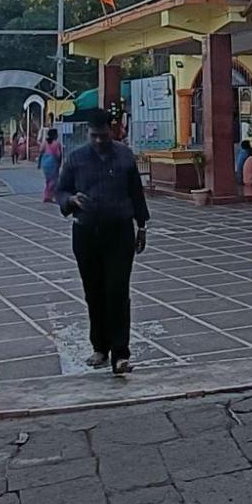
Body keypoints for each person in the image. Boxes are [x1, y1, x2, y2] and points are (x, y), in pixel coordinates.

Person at [57, 107, 148, 375]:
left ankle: (121, 353)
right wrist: (71, 201)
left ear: (113, 130)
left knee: (117, 292)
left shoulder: (125, 156)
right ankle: (100, 347)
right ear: (88, 132)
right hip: (86, 233)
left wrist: (142, 227)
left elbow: (136, 194)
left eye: (103, 135)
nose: (99, 140)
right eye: (94, 136)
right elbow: (60, 191)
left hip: (120, 232)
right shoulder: (75, 159)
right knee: (93, 292)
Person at [38, 128, 63, 203]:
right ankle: (50, 196)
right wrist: (59, 164)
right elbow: (59, 155)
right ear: (55, 135)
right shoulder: (57, 143)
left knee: (48, 180)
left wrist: (39, 164)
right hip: (53, 163)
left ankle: (47, 196)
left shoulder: (45, 142)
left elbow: (40, 152)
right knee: (54, 181)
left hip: (45, 163)